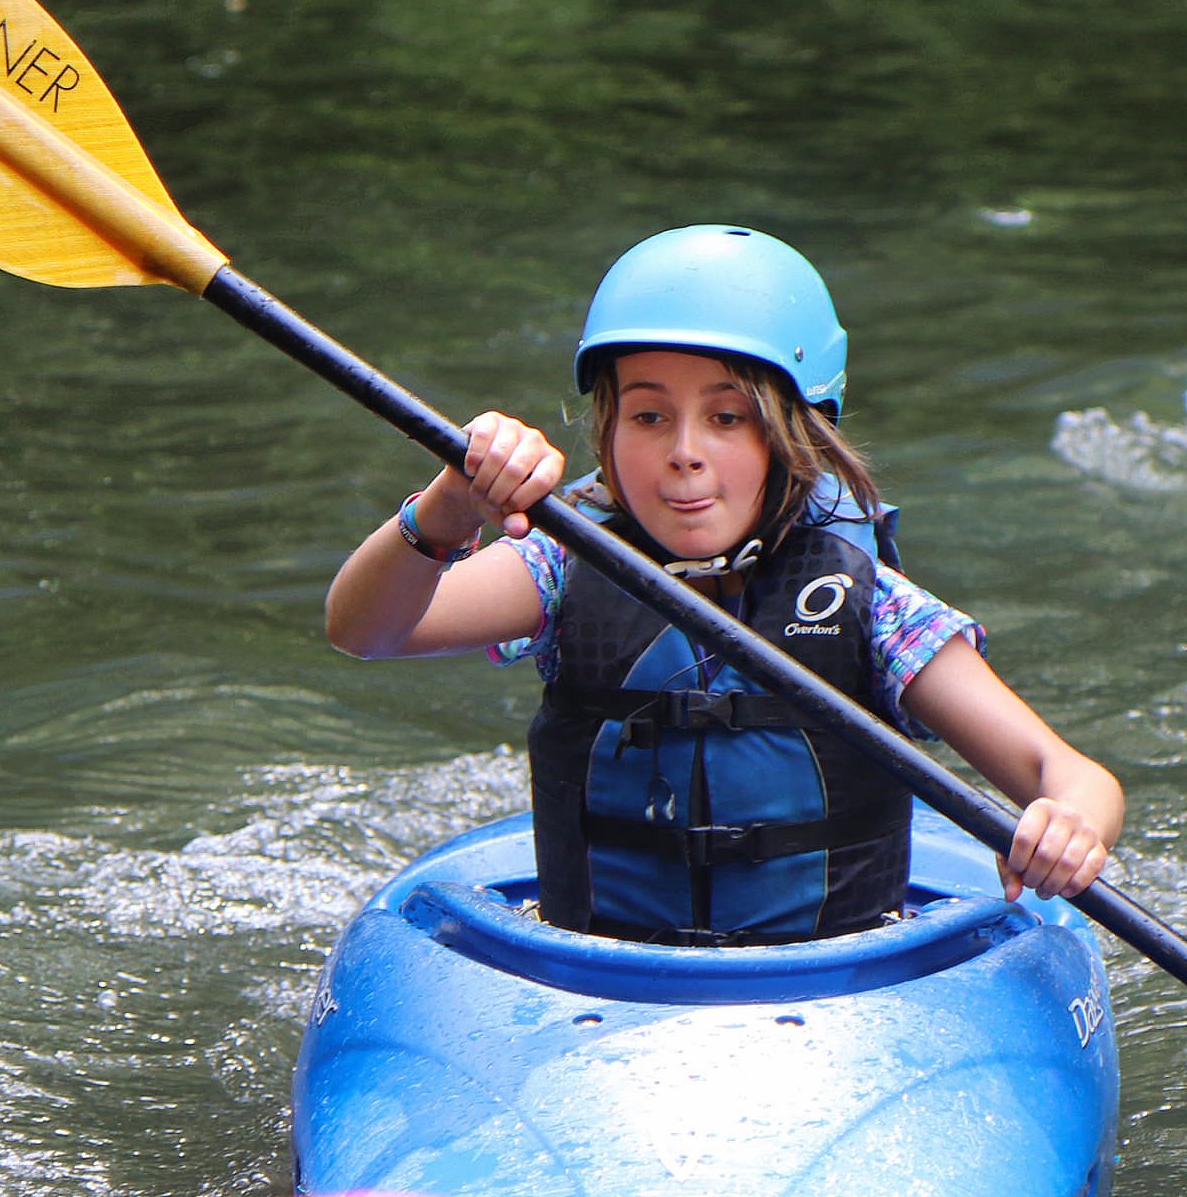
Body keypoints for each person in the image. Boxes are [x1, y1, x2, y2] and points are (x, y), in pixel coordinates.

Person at [326, 224, 1124, 946]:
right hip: (602, 974)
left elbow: (1071, 775)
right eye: (647, 417)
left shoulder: (869, 605)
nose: (684, 452)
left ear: (799, 434)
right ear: (606, 429)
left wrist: (1071, 824)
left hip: (831, 983)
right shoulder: (566, 564)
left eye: (728, 417)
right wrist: (447, 506)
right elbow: (367, 630)